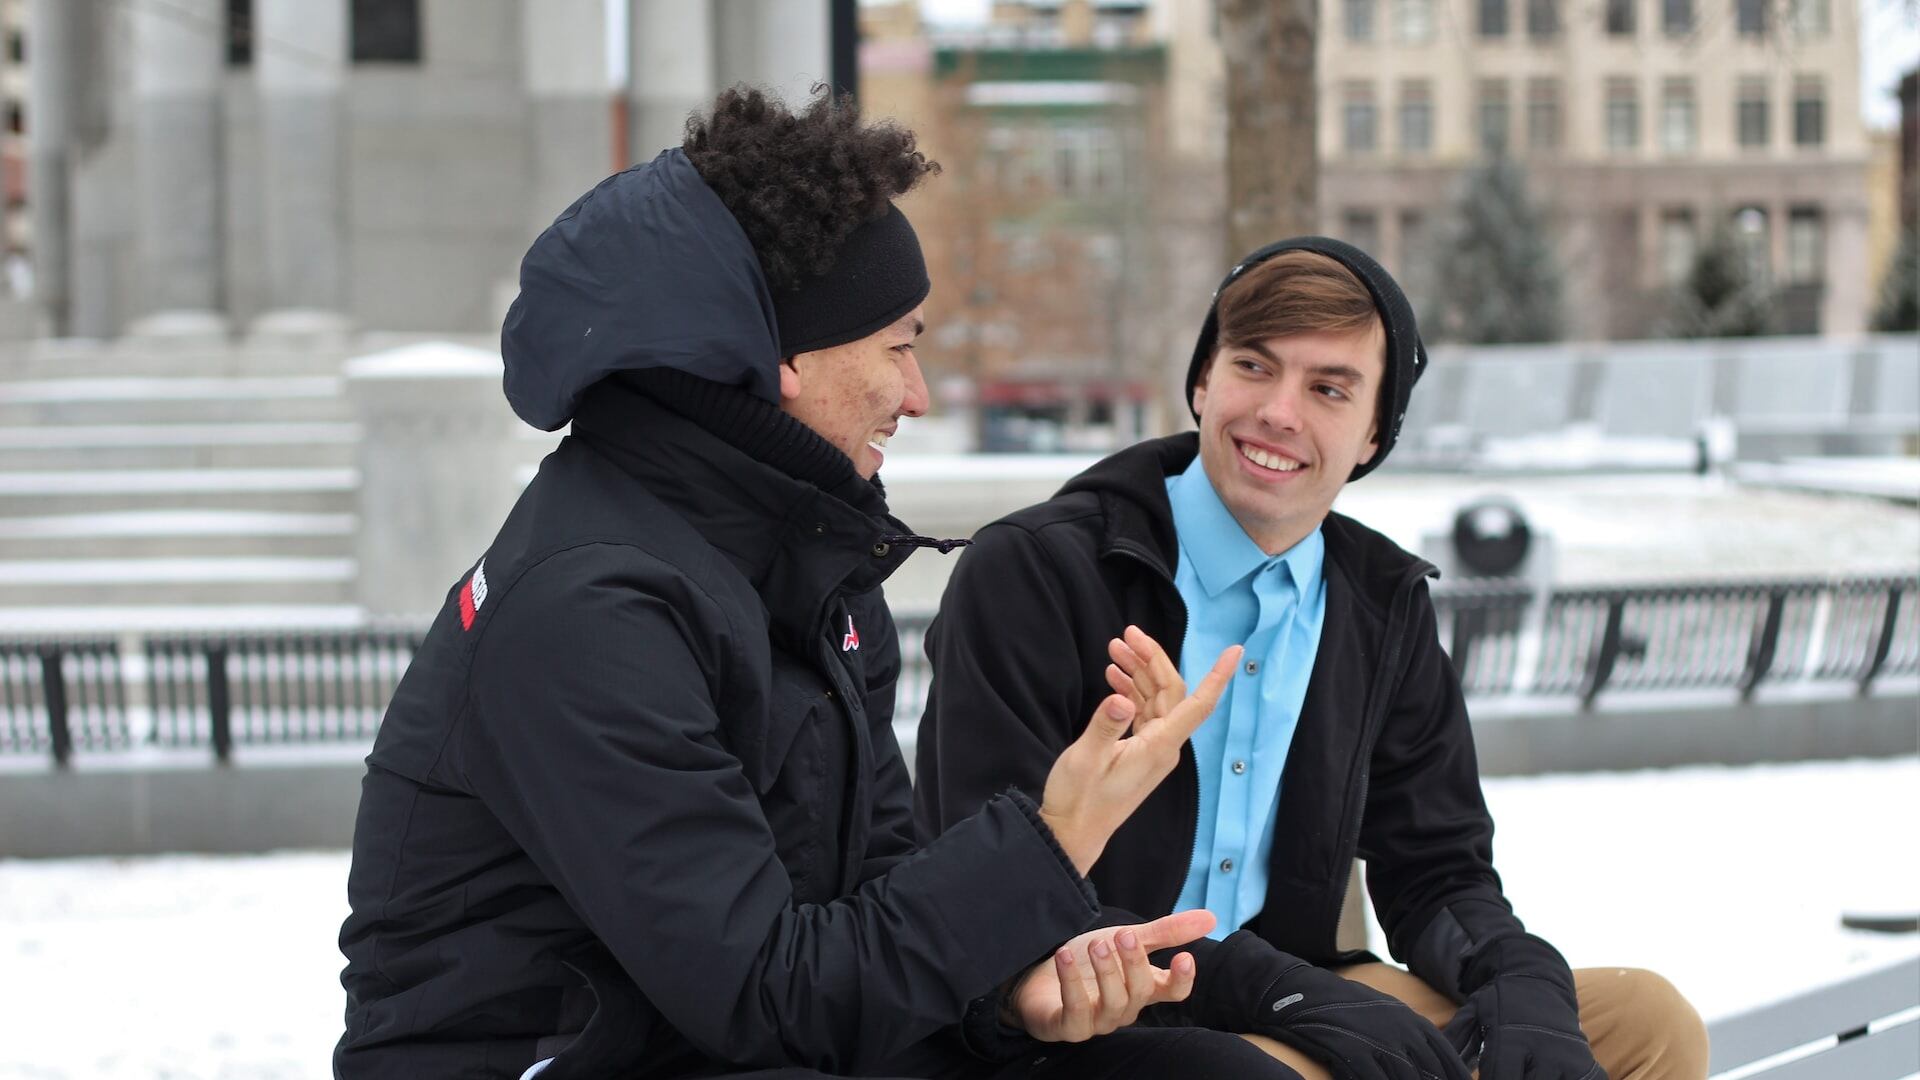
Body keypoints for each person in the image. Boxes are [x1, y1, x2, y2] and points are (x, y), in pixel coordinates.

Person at [332, 86, 1255, 1080]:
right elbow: (764, 996)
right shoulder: (589, 609)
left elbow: (873, 895)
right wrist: (1051, 836)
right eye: (898, 345)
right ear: (779, 359)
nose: (918, 394)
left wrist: (1012, 993)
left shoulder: (809, 559)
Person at [915, 238, 1713, 1080]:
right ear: (1201, 381)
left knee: (1646, 1023)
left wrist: (1517, 979)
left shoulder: (1378, 603)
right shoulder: (1041, 573)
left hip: (1295, 997)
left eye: (1329, 388)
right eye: (1254, 367)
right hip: (1084, 1016)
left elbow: (1435, 867)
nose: (1280, 413)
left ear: (1374, 434)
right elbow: (984, 881)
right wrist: (1289, 996)